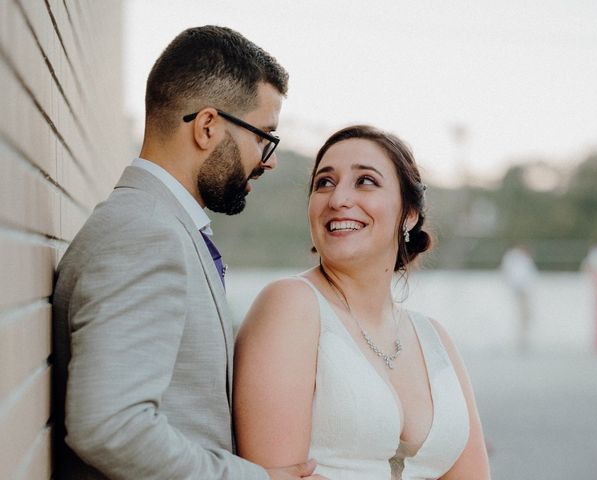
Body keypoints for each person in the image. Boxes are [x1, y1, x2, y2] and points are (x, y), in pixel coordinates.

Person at [52, 26, 324, 480]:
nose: (270, 159)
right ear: (208, 127)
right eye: (264, 137)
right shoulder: (145, 234)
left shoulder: (159, 226)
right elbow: (109, 426)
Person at [234, 125, 491, 479]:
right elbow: (272, 474)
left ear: (410, 213)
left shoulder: (434, 338)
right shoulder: (291, 306)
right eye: (324, 182)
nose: (338, 198)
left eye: (365, 181)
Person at [500, 244, 538, 352]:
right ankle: (521, 340)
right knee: (522, 317)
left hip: (523, 291)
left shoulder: (520, 260)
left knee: (526, 317)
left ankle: (523, 340)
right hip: (520, 291)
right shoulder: (516, 259)